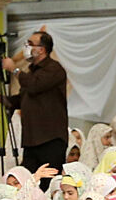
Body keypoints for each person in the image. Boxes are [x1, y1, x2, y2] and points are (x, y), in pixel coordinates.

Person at [5, 29, 69, 174]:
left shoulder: (54, 69)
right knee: (28, 179)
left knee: (48, 179)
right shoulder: (32, 72)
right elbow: (23, 99)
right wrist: (2, 99)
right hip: (32, 139)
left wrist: (14, 69)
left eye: (30, 44)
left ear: (41, 49)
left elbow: (34, 86)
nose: (26, 47)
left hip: (50, 138)